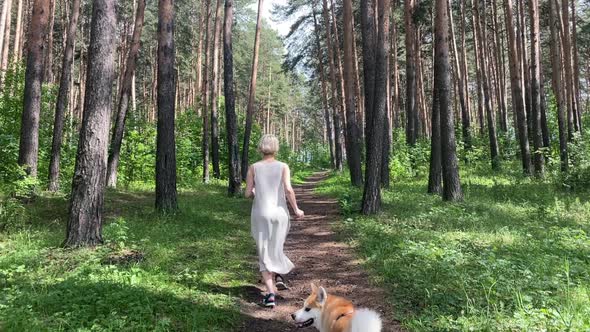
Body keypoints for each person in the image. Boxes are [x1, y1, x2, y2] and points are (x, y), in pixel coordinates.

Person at [245, 134, 304, 308]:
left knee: (264, 251)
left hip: (261, 214)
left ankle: (270, 294)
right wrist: (296, 210)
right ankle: (278, 274)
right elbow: (288, 189)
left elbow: (248, 193)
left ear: (260, 148)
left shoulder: (253, 167)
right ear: (276, 148)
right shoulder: (283, 166)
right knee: (276, 246)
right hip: (280, 214)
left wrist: (256, 191)